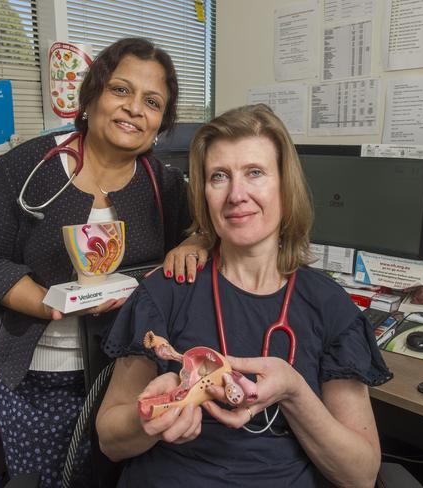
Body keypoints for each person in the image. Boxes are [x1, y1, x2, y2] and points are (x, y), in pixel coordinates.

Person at [0, 37, 209, 486]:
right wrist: (47, 302)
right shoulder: (29, 166)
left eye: (152, 102)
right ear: (91, 95)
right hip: (38, 381)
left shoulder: (163, 184)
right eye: (120, 90)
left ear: (161, 122)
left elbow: (206, 229)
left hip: (127, 376)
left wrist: (196, 242)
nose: (134, 109)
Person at [96, 104, 393, 487]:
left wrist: (293, 390)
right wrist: (150, 415)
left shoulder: (330, 307)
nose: (237, 194)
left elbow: (361, 474)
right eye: (219, 176)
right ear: (204, 193)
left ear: (286, 186)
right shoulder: (166, 291)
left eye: (255, 172)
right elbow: (109, 441)